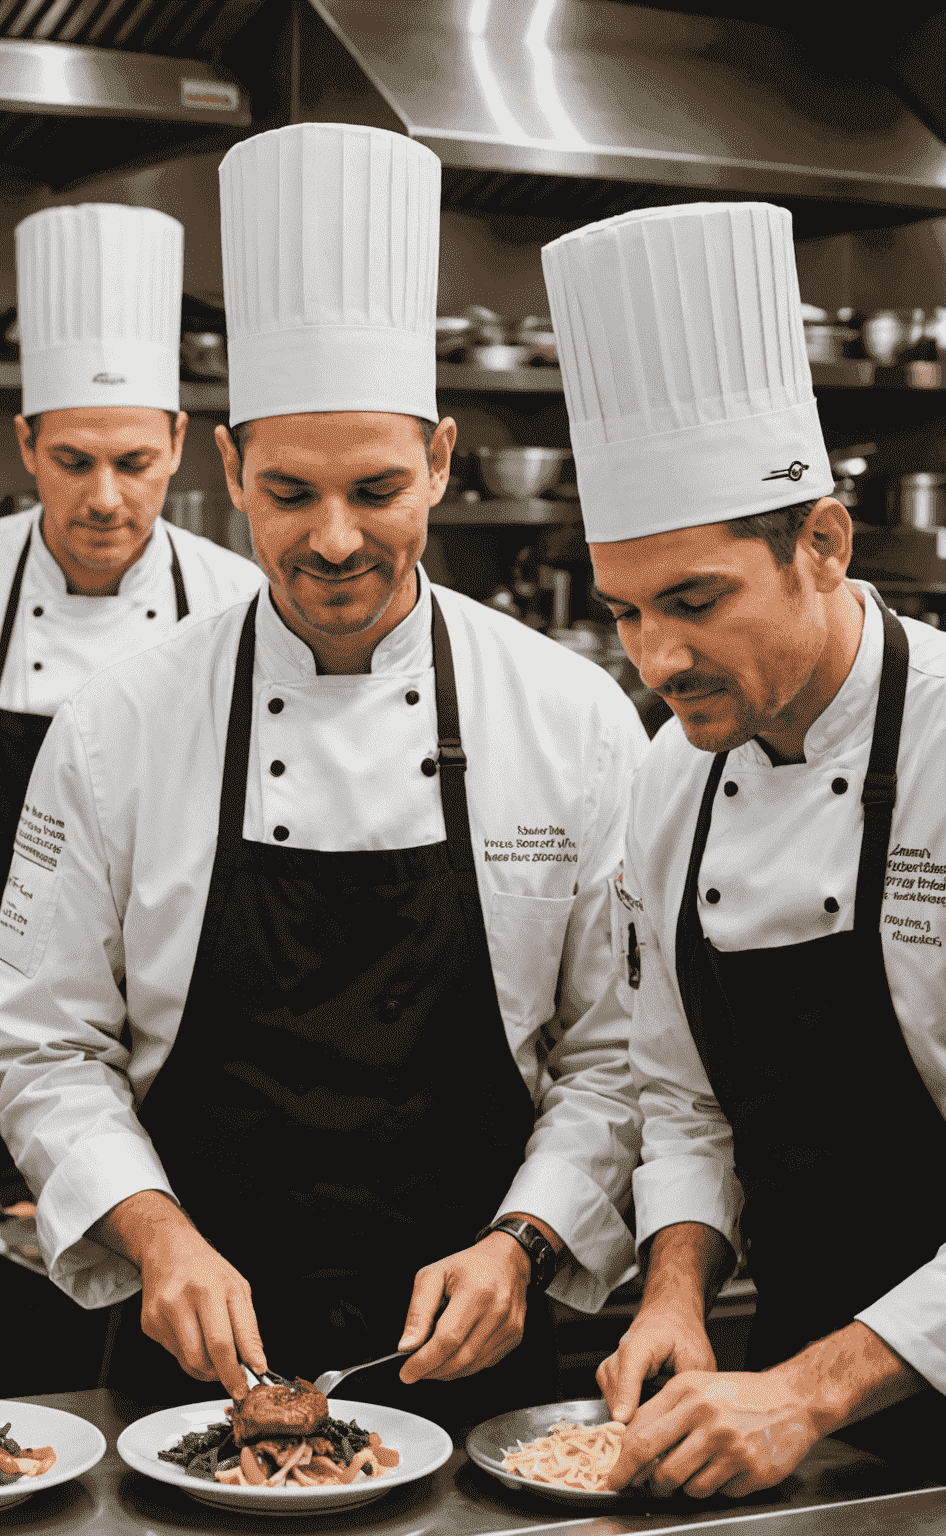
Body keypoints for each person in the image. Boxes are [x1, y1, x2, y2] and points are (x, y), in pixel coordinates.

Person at [0, 123, 646, 1429]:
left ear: (445, 463)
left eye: (379, 488)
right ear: (228, 472)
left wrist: (529, 1240)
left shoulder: (571, 720)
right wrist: (153, 1234)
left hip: (481, 1366)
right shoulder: (120, 724)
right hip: (189, 1372)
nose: (335, 539)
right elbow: (48, 1043)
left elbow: (623, 1058)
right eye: (289, 492)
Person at [543, 201, 946, 1495]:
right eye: (624, 614)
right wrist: (676, 1291)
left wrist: (813, 1388)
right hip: (793, 1409)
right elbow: (683, 1095)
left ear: (822, 544)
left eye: (696, 603)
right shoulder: (669, 777)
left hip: (822, 1390)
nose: (656, 662)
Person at [0, 202, 263, 923]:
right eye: (72, 461)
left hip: (179, 992)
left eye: (134, 463)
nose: (104, 498)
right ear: (27, 445)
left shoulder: (242, 604)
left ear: (180, 442)